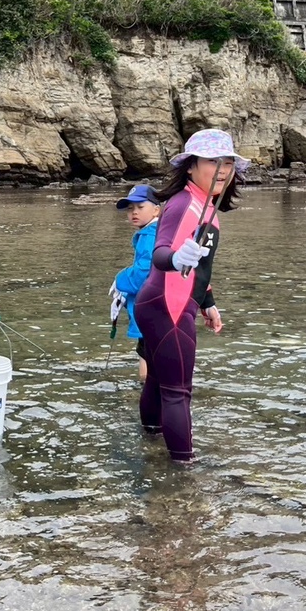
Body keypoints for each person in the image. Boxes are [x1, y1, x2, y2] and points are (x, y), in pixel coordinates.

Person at [133, 129, 248, 463]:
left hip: (168, 304)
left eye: (228, 162)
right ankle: (184, 469)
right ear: (190, 166)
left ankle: (150, 442)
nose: (223, 169)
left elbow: (200, 267)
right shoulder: (184, 203)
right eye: (213, 161)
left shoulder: (205, 206)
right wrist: (175, 259)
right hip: (167, 306)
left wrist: (207, 302)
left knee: (157, 381)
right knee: (177, 393)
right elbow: (160, 253)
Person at [110, 184, 161, 383]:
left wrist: (120, 281)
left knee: (145, 351)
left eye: (140, 207)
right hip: (157, 306)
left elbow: (144, 272)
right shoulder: (152, 232)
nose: (134, 213)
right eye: (130, 209)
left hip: (150, 306)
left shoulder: (149, 236)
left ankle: (144, 388)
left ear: (156, 209)